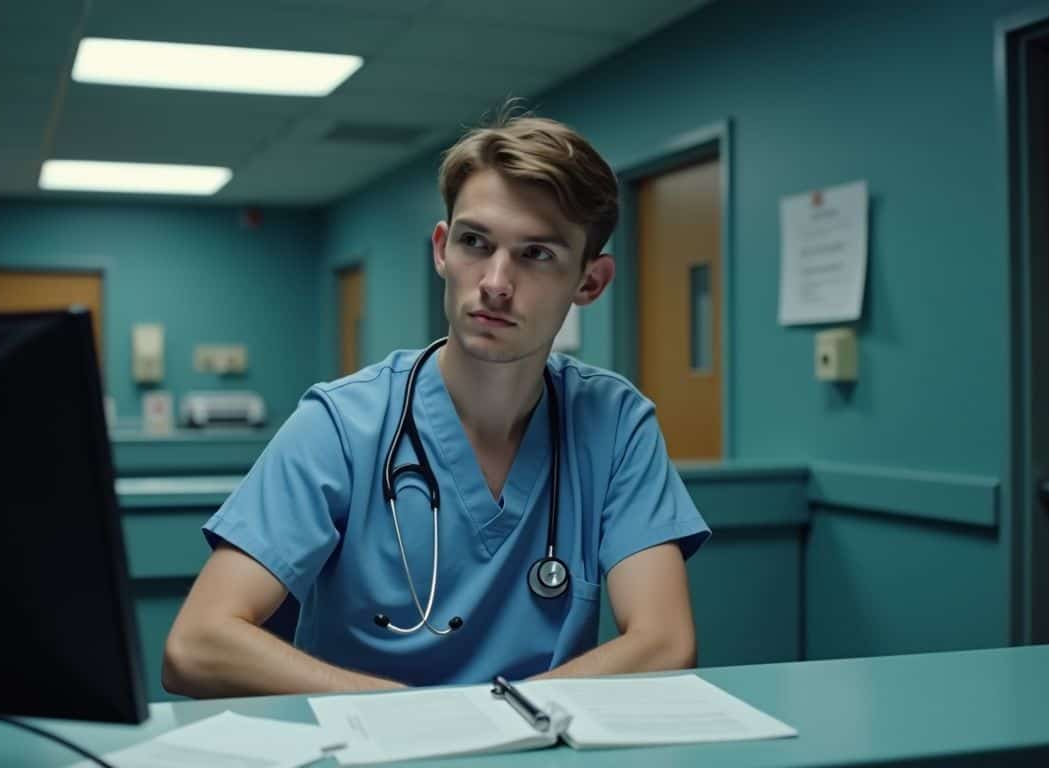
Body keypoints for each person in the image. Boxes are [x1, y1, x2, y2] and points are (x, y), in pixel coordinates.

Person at [162, 104, 710, 697]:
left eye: (537, 254)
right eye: (476, 242)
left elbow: (664, 641)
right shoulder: (343, 425)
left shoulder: (615, 424)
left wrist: (506, 720)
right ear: (443, 250)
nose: (496, 282)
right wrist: (413, 718)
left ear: (590, 282)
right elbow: (197, 644)